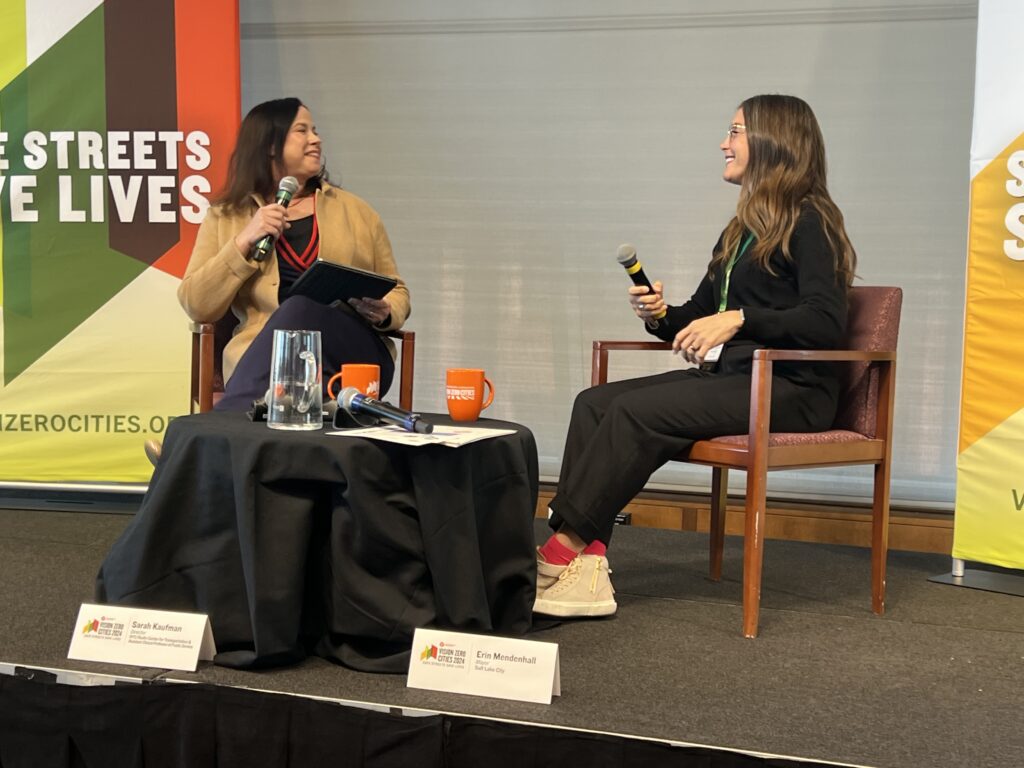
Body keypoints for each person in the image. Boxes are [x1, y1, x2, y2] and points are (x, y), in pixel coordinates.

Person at [533, 94, 857, 618]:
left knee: (633, 413)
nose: (723, 143)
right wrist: (659, 315)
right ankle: (586, 561)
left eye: (735, 131)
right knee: (593, 402)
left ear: (774, 142)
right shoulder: (741, 231)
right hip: (737, 380)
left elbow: (826, 319)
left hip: (792, 391)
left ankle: (559, 554)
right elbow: (696, 318)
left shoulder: (810, 220)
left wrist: (743, 318)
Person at [145, 97, 409, 463]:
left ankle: (204, 442)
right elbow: (196, 302)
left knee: (300, 307)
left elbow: (398, 290)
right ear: (269, 146)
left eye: (315, 130)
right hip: (268, 360)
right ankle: (215, 452)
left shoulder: (357, 212)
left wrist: (385, 311)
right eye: (302, 131)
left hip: (353, 354)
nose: (316, 139)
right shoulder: (227, 216)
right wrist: (243, 242)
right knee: (292, 322)